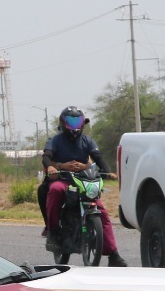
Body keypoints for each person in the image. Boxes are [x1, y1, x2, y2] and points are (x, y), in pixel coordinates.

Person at [41, 106, 127, 266]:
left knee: (101, 212)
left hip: (84, 180)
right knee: (55, 190)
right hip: (62, 179)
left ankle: (113, 254)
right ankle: (54, 232)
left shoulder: (88, 141)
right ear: (63, 123)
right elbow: (46, 157)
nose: (75, 126)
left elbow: (98, 158)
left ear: (83, 123)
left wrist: (108, 172)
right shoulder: (55, 140)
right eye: (71, 122)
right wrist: (54, 167)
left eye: (78, 122)